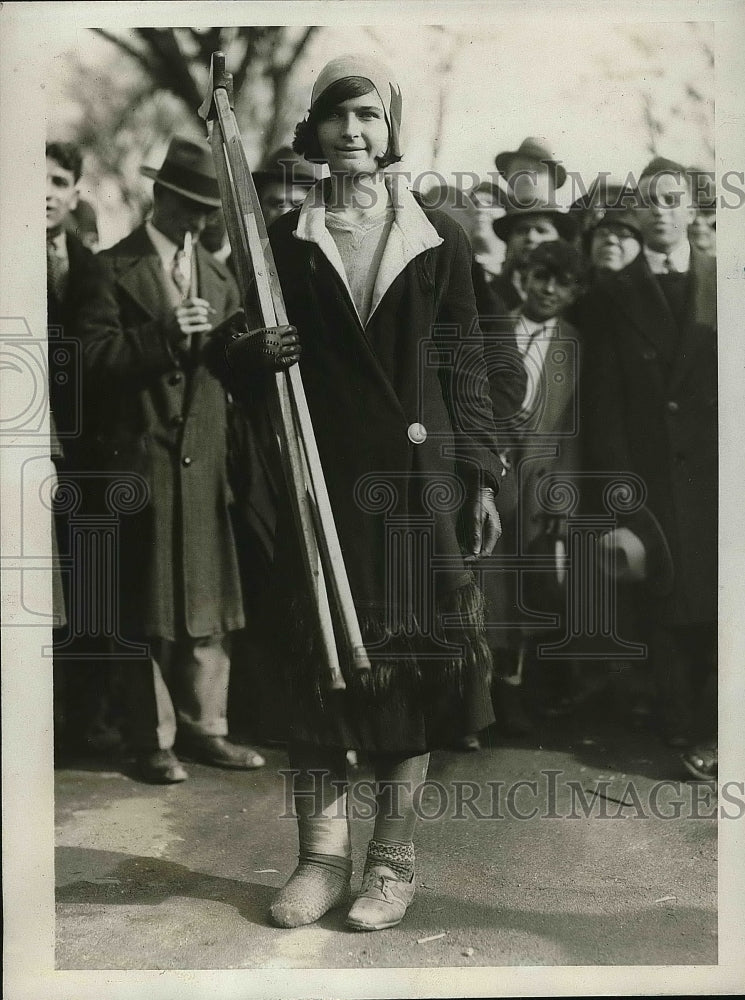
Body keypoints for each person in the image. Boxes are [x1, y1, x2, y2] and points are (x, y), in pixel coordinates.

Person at [224, 54, 505, 931]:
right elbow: (238, 348)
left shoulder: (439, 236)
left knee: (410, 679)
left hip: (419, 492)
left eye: (370, 117)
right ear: (312, 130)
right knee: (317, 674)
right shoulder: (283, 243)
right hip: (319, 486)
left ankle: (390, 865)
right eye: (338, 117)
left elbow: (468, 362)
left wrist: (482, 474)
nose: (354, 132)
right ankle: (319, 860)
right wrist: (245, 354)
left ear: (390, 133)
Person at [86, 136, 266, 783]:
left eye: (205, 211)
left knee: (205, 602)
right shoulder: (107, 269)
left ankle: (205, 728)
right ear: (158, 196)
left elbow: (229, 374)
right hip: (142, 461)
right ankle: (150, 737)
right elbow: (88, 362)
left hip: (203, 462)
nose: (197, 222)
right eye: (188, 206)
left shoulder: (220, 277)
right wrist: (164, 335)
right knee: (142, 607)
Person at [578, 157, 717, 761]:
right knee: (663, 597)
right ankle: (680, 725)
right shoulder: (612, 295)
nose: (661, 210)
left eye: (672, 199)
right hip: (649, 476)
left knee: (719, 598)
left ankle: (716, 725)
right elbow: (603, 409)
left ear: (692, 208)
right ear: (635, 212)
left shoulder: (724, 281)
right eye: (649, 201)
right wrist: (620, 497)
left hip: (716, 475)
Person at [480, 241, 586, 733]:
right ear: (524, 277)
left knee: (527, 594)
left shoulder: (572, 343)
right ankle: (472, 700)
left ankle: (514, 695)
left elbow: (573, 427)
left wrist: (563, 491)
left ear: (575, 291)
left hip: (538, 489)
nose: (549, 289)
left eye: (563, 282)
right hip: (491, 478)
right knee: (485, 591)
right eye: (542, 276)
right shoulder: (496, 327)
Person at [46, 141, 124, 756]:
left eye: (58, 180)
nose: (44, 192)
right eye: (32, 179)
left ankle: (84, 722)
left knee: (87, 583)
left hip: (85, 452)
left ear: (76, 193)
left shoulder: (88, 263)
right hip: (25, 447)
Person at [491, 199, 577, 311]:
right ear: (510, 240)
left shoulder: (574, 297)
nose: (531, 238)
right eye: (522, 230)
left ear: (559, 239)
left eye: (541, 231)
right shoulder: (489, 293)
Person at [494, 136, 567, 206]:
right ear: (508, 175)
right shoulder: (493, 215)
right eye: (520, 170)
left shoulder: (565, 219)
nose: (528, 179)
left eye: (538, 171)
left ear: (552, 181)